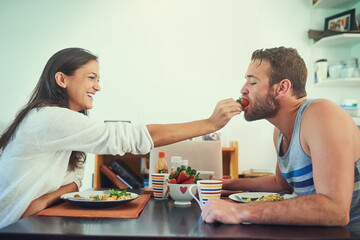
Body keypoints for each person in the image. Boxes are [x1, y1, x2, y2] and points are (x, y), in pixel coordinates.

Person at [0, 48, 242, 229]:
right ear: (62, 79)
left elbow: (75, 183)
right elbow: (131, 138)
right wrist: (209, 124)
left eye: (98, 79)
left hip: (36, 221)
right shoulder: (48, 118)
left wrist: (43, 199)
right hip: (15, 226)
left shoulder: (67, 125)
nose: (97, 87)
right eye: (91, 78)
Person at [201, 46, 360, 226]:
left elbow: (335, 210)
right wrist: (225, 184)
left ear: (282, 87)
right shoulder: (279, 131)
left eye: (252, 82)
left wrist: (240, 211)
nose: (243, 90)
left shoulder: (322, 114)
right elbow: (281, 184)